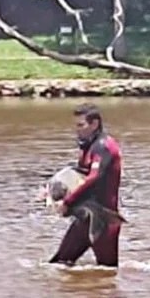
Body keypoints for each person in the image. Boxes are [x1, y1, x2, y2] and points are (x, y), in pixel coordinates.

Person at [49, 102, 123, 267]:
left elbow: (93, 178)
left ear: (95, 124)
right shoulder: (88, 146)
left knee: (107, 271)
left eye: (81, 125)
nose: (77, 129)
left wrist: (67, 202)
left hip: (103, 219)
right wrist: (51, 190)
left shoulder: (103, 146)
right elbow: (78, 174)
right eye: (76, 125)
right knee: (59, 264)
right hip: (84, 217)